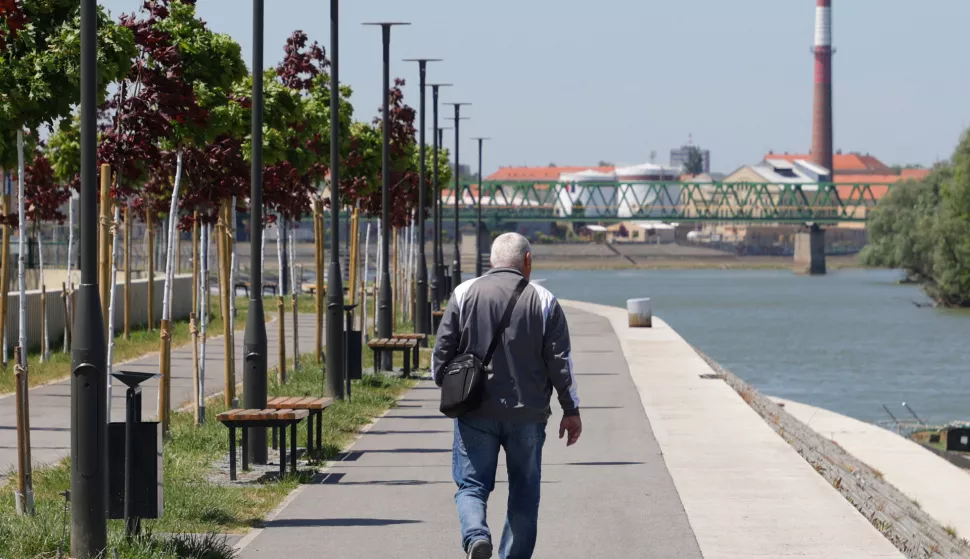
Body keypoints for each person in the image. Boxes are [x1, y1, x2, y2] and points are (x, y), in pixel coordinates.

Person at [433, 232, 582, 559]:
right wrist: (570, 410)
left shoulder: (464, 293)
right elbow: (561, 363)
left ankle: (475, 538)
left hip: (475, 413)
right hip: (527, 416)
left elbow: (440, 356)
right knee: (525, 495)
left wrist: (450, 388)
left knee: (472, 486)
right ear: (527, 261)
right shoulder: (544, 300)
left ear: (491, 261)